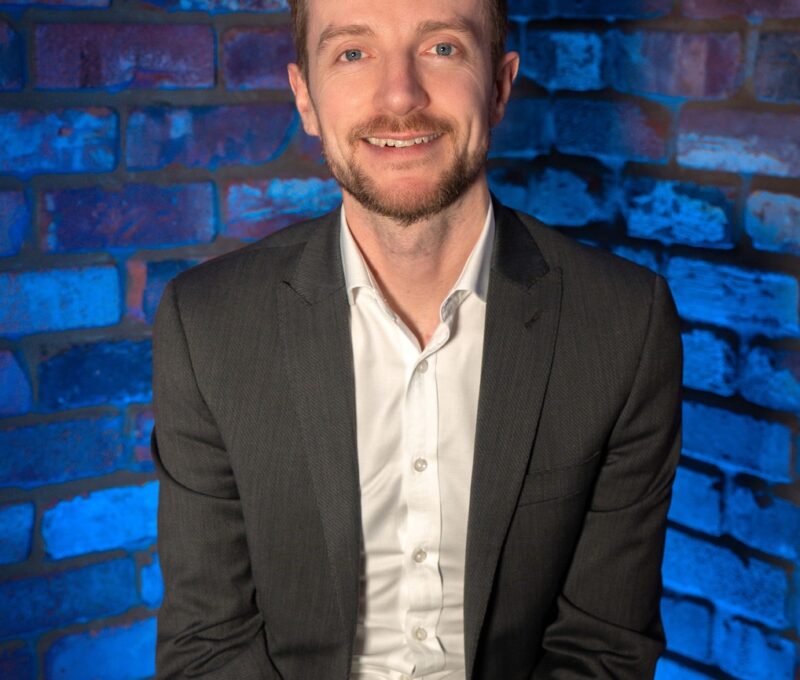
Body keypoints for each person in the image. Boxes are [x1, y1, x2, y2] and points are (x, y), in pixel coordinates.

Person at [151, 0, 683, 677]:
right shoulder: (206, 324)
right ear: (305, 98)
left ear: (499, 86)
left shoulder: (624, 325)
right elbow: (208, 645)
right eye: (353, 53)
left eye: (441, 48)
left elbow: (603, 649)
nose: (399, 95)